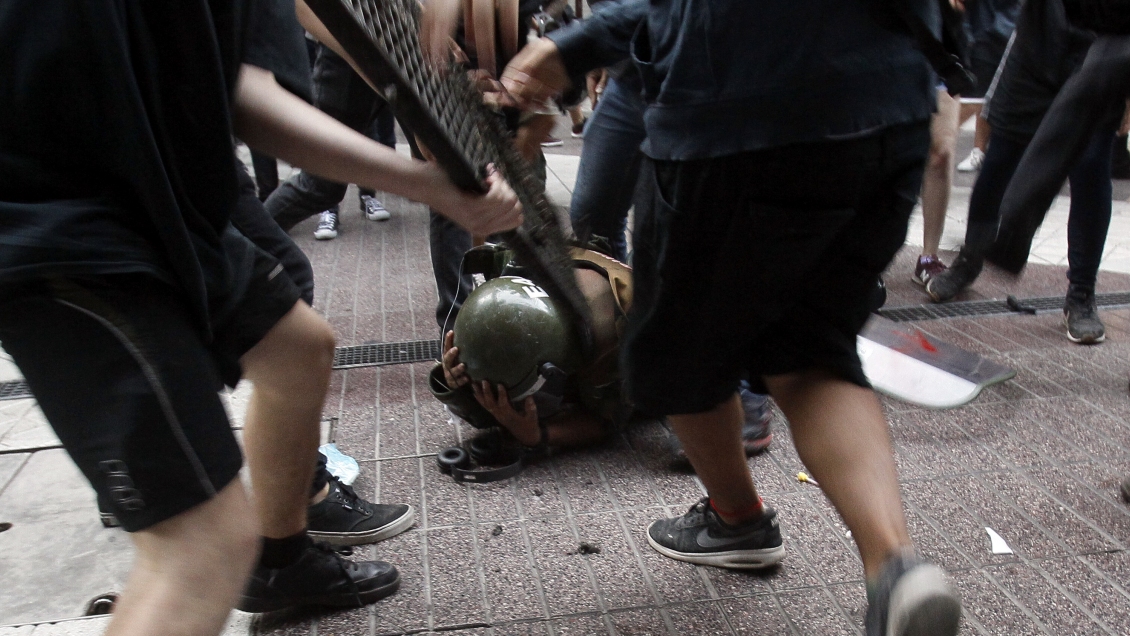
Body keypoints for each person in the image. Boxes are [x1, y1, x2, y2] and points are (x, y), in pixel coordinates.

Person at [0, 2, 521, 634]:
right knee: (202, 548)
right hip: (65, 220)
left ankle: (283, 560)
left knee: (300, 348)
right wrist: (430, 183)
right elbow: (254, 102)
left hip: (170, 191)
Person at [488, 0, 964, 633]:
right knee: (813, 352)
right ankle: (895, 569)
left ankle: (736, 518)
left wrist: (577, 44)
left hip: (738, 110)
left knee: (674, 357)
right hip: (887, 104)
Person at [429, 244, 773, 463]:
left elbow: (604, 423)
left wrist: (537, 435)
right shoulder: (517, 273)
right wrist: (451, 377)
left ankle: (747, 387)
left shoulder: (614, 346)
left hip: (685, 327)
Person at [925, 0, 1116, 345]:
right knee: (999, 158)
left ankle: (1081, 294)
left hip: (1102, 49)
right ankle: (970, 258)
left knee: (1091, 170)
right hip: (1036, 47)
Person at [264, 43, 399, 241]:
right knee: (320, 186)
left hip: (388, 57)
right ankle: (245, 243)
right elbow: (309, 15)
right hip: (349, 62)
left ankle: (246, 243)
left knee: (323, 185)